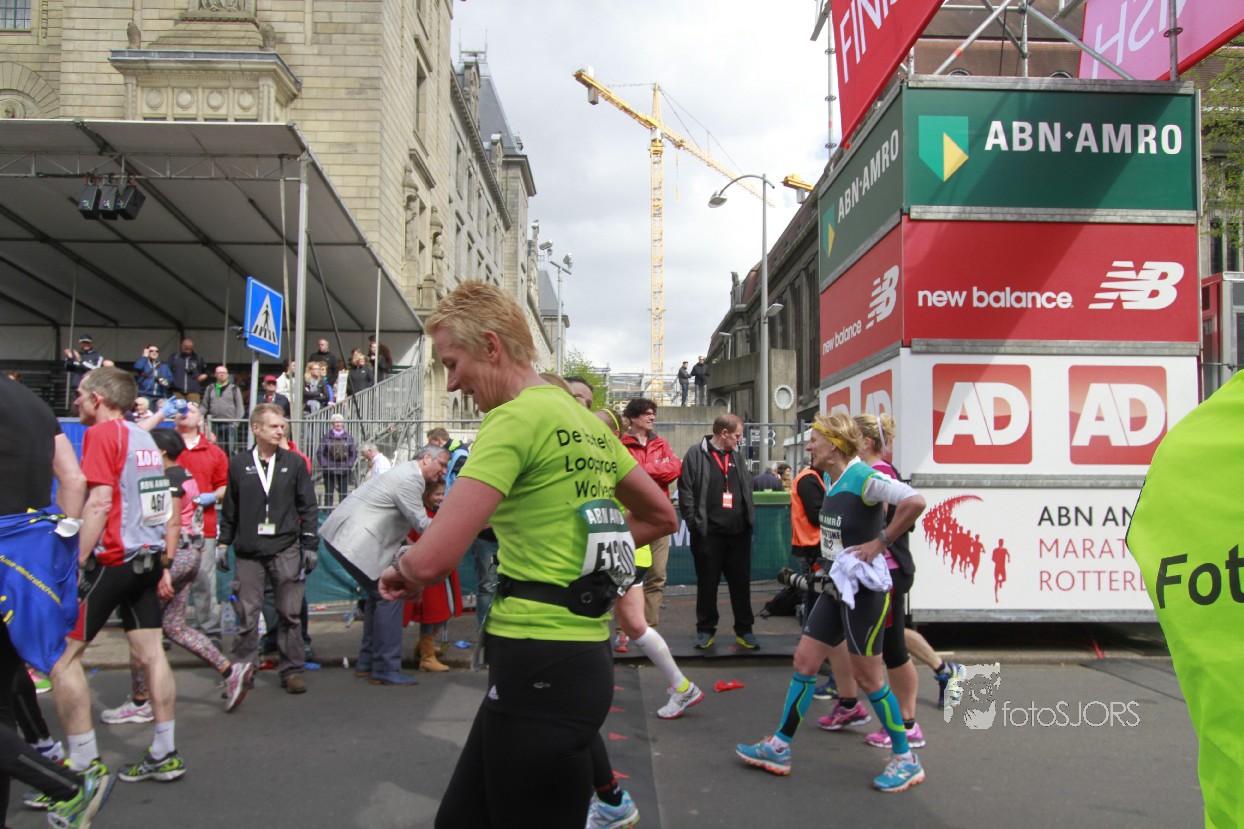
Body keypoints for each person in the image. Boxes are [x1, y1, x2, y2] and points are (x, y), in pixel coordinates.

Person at [376, 281, 677, 828]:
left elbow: (432, 559)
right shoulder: (585, 421)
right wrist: (578, 553)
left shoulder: (513, 419)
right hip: (571, 659)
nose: (452, 381)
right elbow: (660, 517)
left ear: (491, 346)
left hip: (541, 660)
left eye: (453, 362)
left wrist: (400, 572)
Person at [735, 412, 927, 793]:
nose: (809, 446)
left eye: (814, 440)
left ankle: (906, 759)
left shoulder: (864, 478)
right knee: (805, 661)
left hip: (865, 593)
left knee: (868, 678)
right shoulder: (829, 479)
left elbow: (915, 501)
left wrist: (881, 542)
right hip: (836, 586)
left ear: (835, 444)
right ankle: (779, 746)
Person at [49, 366, 188, 791]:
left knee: (61, 659)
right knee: (152, 654)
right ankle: (164, 752)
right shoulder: (144, 437)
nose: (76, 401)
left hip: (113, 559)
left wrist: (75, 559)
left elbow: (100, 501)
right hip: (146, 557)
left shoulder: (102, 434)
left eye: (80, 394)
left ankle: (83, 766)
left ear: (99, 399)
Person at [0, 376, 116, 828]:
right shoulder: (32, 403)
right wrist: (61, 554)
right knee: (3, 709)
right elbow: (73, 479)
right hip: (26, 570)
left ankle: (67, 786)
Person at [99, 429, 254, 723]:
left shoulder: (167, 480)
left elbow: (169, 524)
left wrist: (166, 567)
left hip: (173, 556)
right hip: (190, 553)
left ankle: (141, 700)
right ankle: (230, 670)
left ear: (161, 452)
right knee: (174, 626)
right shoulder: (185, 475)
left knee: (141, 632)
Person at [321, 445, 448, 686]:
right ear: (426, 458)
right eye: (441, 464)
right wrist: (461, 529)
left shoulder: (405, 473)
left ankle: (368, 662)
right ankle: (385, 667)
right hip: (351, 541)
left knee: (377, 595)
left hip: (345, 539)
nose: (443, 471)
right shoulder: (411, 479)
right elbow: (422, 523)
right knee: (390, 595)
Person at [217, 403, 320, 695]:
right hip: (249, 552)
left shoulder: (295, 463)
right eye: (274, 426)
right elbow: (231, 507)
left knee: (289, 614)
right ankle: (242, 672)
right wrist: (223, 542)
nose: (280, 431)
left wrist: (310, 545)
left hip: (285, 548)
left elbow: (308, 506)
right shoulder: (239, 463)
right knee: (247, 616)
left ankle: (292, 671)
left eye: (282, 426)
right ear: (256, 429)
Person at [678, 413, 759, 650]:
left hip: (738, 535)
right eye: (737, 435)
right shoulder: (696, 454)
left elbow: (747, 489)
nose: (739, 440)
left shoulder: (737, 457)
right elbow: (686, 491)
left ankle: (745, 630)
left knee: (741, 585)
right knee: (707, 584)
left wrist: (748, 521)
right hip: (708, 535)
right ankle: (705, 630)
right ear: (724, 433)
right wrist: (694, 524)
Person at [620, 397, 681, 632]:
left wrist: (642, 470)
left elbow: (674, 469)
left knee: (657, 575)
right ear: (633, 417)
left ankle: (649, 629)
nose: (652, 417)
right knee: (625, 575)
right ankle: (623, 630)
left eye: (653, 413)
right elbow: (623, 476)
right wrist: (654, 470)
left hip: (659, 518)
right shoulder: (622, 445)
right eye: (647, 413)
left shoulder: (661, 443)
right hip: (632, 516)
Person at [171, 402, 228, 643]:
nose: (185, 414)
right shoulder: (164, 449)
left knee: (204, 579)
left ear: (201, 421)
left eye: (191, 411)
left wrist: (212, 496)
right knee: (167, 580)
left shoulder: (214, 453)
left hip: (202, 525)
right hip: (168, 526)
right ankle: (168, 628)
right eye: (180, 411)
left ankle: (209, 628)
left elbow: (224, 486)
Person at [401, 480, 460, 673]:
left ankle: (424, 647)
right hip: (428, 571)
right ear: (426, 495)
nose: (441, 498)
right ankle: (426, 656)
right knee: (431, 613)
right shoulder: (420, 515)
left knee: (440, 612)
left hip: (437, 569)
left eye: (442, 494)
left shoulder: (434, 512)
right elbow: (410, 539)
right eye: (437, 494)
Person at [316, 413, 358, 506]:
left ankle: (342, 512)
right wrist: (325, 465)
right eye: (336, 422)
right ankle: (328, 512)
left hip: (344, 468)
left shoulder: (348, 438)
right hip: (329, 469)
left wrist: (349, 465)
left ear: (343, 423)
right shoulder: (326, 437)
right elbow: (320, 453)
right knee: (328, 493)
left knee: (343, 494)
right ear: (332, 424)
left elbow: (353, 453)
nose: (338, 424)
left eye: (340, 422)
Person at [202, 365, 244, 454]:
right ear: (215, 375)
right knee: (214, 449)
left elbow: (240, 408)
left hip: (230, 424)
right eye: (219, 373)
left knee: (231, 449)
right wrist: (198, 416)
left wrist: (236, 423)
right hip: (214, 423)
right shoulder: (210, 388)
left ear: (227, 375)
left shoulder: (234, 389)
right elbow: (204, 406)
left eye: (224, 373)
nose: (221, 375)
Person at [63, 334, 105, 399]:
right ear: (80, 344)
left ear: (91, 344)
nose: (85, 344)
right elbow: (68, 368)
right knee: (75, 405)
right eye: (83, 343)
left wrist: (81, 361)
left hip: (89, 388)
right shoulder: (76, 355)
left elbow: (96, 370)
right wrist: (70, 358)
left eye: (87, 342)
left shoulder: (97, 356)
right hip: (76, 388)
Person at [168, 339, 207, 403]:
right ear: (181, 346)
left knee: (193, 408)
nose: (188, 349)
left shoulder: (197, 358)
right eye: (186, 347)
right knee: (178, 409)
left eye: (190, 348)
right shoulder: (174, 357)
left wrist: (204, 375)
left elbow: (206, 370)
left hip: (193, 390)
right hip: (177, 390)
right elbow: (167, 370)